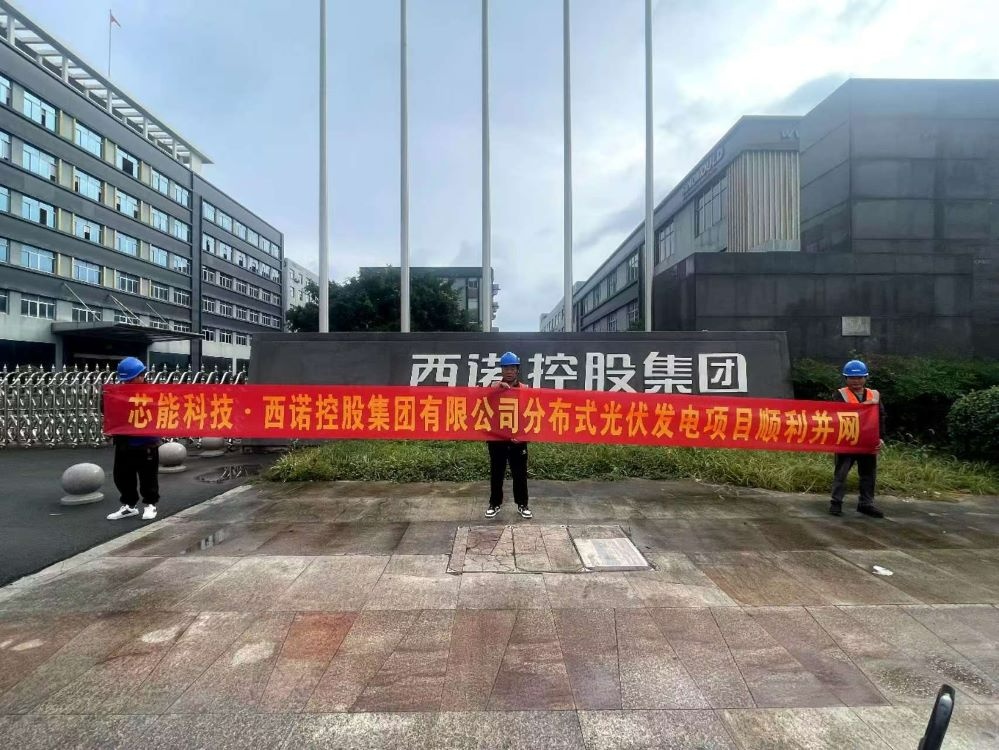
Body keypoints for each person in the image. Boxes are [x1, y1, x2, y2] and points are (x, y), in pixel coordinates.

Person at [829, 359, 886, 518]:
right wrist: (866, 404)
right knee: (841, 474)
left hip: (867, 442)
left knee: (868, 474)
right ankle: (836, 503)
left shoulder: (874, 394)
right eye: (852, 378)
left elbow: (881, 416)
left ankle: (866, 504)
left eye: (860, 377)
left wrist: (881, 437)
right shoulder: (840, 394)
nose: (856, 381)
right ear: (846, 378)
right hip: (847, 441)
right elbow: (836, 414)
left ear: (865, 378)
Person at [106, 357, 160, 521]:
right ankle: (129, 505)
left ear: (141, 376)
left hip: (146, 442)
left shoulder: (152, 392)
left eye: (131, 379)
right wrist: (106, 399)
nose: (127, 382)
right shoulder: (118, 392)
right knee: (122, 476)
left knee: (148, 477)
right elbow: (108, 411)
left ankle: (150, 504)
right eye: (125, 380)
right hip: (125, 442)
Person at [484, 351, 532, 519]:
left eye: (512, 368)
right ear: (501, 370)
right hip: (497, 438)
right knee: (496, 473)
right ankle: (494, 503)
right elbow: (480, 400)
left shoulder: (525, 389)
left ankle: (522, 504)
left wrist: (522, 435)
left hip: (518, 439)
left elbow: (529, 413)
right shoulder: (493, 387)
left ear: (517, 370)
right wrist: (496, 388)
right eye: (506, 368)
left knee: (520, 474)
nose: (509, 371)